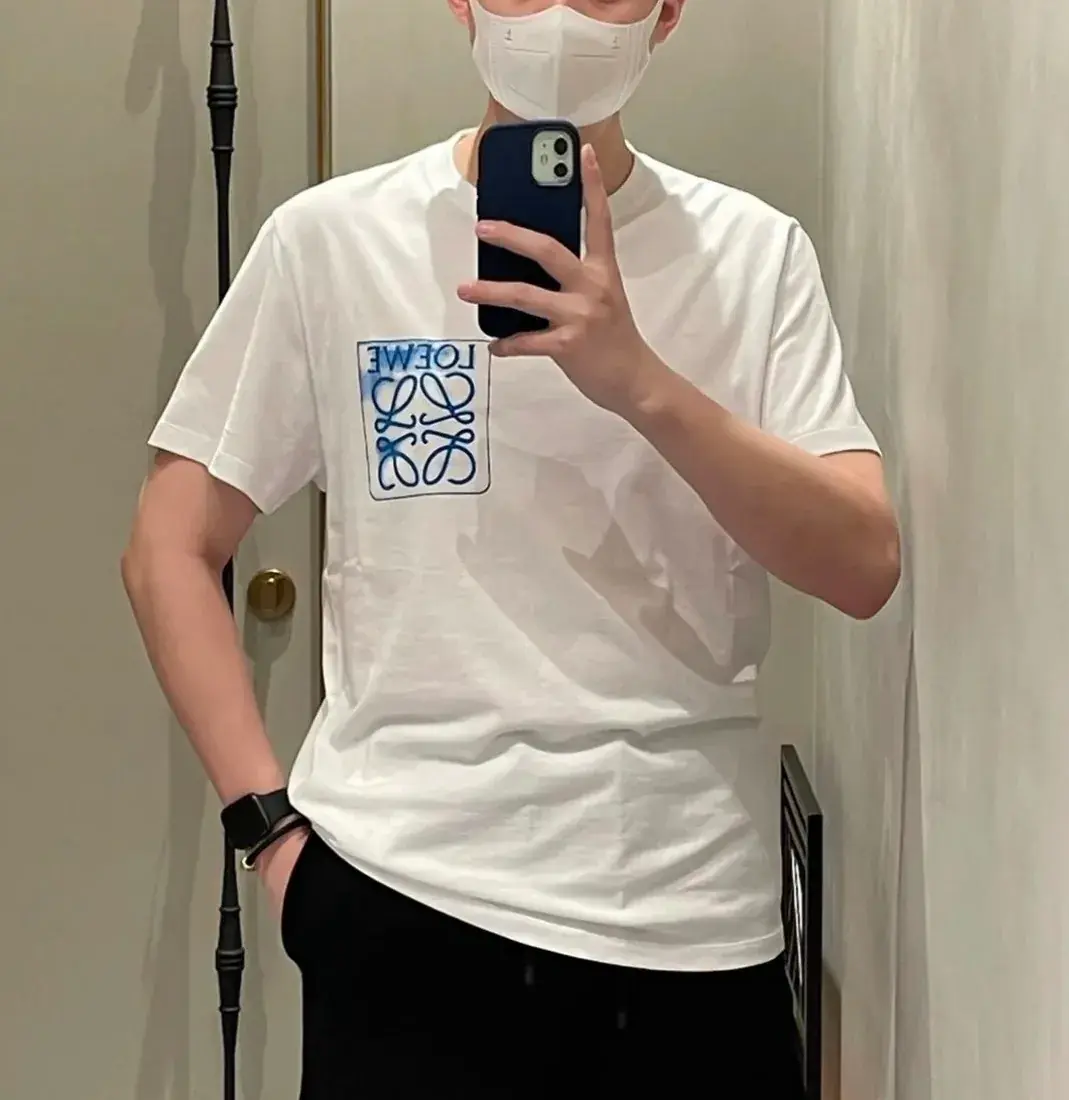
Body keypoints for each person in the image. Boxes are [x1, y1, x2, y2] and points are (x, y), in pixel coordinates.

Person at [123, 1, 900, 1096]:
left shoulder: (753, 253)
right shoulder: (331, 240)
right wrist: (271, 833)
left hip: (686, 918)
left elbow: (861, 564)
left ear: (669, 12)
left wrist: (640, 382)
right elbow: (169, 543)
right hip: (402, 897)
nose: (562, 14)